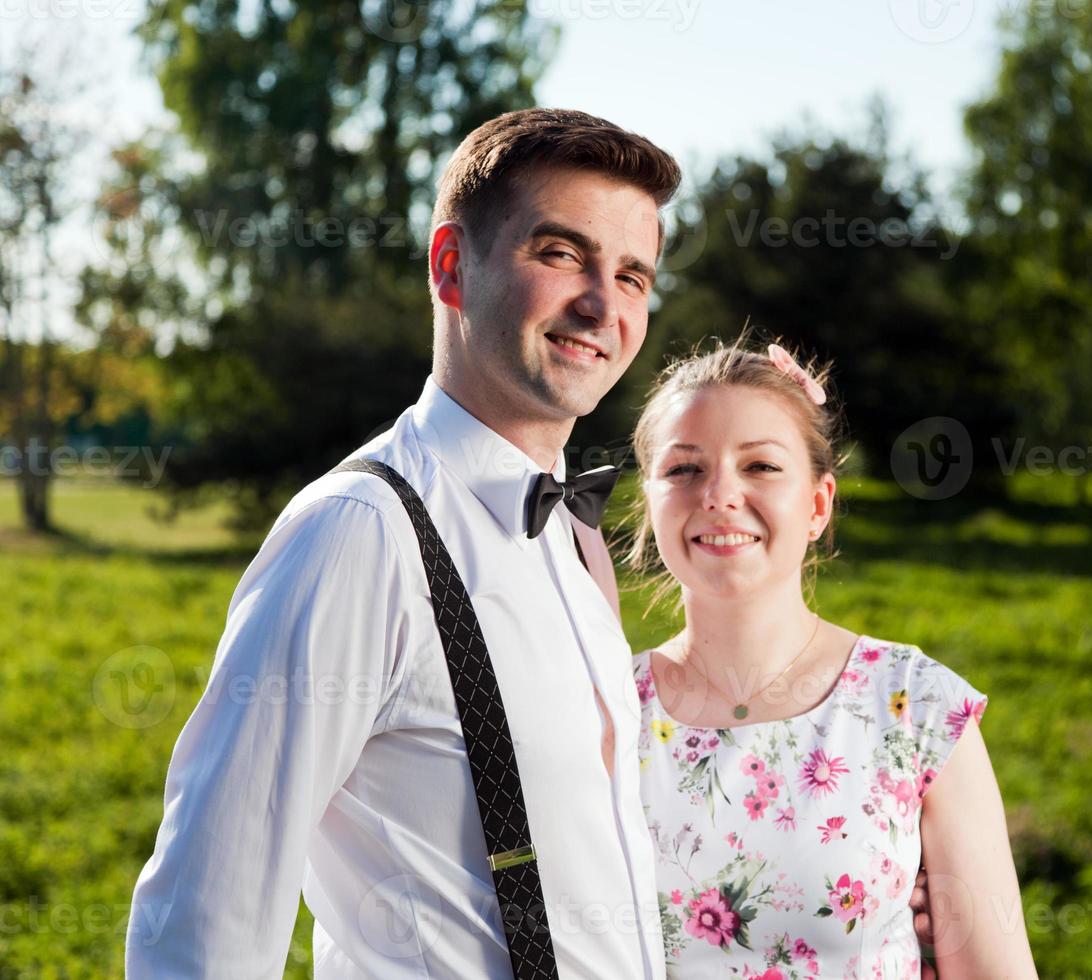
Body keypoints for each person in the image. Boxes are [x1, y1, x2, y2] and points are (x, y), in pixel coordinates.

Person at [125, 108, 681, 977]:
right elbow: (205, 921)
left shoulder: (576, 537)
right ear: (452, 266)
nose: (602, 304)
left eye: (634, 275)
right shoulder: (359, 534)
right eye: (561, 253)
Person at [626, 339, 1038, 978]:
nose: (719, 495)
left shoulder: (917, 709)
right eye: (684, 470)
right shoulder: (606, 711)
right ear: (651, 504)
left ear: (818, 504)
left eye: (760, 466)